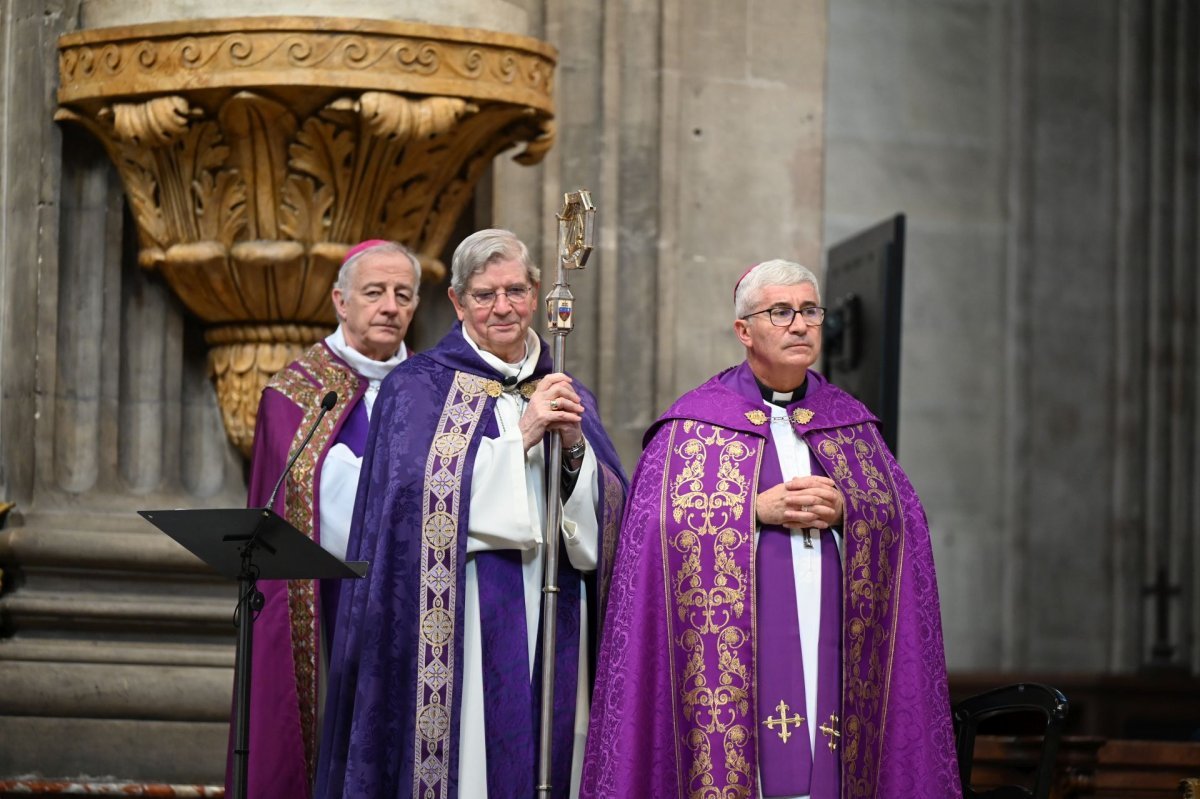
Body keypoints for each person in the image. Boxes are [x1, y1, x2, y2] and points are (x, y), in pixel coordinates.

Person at [580, 260, 962, 799]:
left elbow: (906, 524)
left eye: (809, 310)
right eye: (781, 312)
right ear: (744, 330)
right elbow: (650, 532)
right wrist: (745, 511)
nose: (800, 324)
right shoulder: (695, 425)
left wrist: (851, 510)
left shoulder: (850, 423)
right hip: (734, 670)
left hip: (832, 640)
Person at [316, 228, 628, 799]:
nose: (503, 307)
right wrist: (525, 435)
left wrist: (577, 447)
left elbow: (608, 514)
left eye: (514, 290)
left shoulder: (566, 385)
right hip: (462, 611)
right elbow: (412, 503)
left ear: (536, 294)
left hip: (556, 602)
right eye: (485, 295)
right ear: (458, 303)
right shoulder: (418, 386)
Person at [232, 240, 421, 799]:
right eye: (374, 292)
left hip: (412, 603)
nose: (389, 305)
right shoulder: (295, 393)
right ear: (341, 301)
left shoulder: (435, 390)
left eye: (402, 294)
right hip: (326, 605)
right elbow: (298, 505)